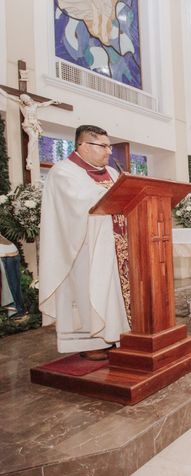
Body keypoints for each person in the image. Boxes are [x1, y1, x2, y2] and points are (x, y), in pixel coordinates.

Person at [39, 125, 130, 360]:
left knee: (114, 292)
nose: (109, 151)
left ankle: (116, 334)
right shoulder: (63, 172)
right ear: (83, 146)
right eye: (103, 146)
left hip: (115, 244)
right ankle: (93, 342)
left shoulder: (111, 172)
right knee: (90, 290)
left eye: (109, 146)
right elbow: (80, 206)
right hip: (83, 247)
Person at [0, 89, 60, 170]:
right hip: (28, 124)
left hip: (35, 125)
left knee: (34, 141)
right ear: (23, 101)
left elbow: (43, 104)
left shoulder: (35, 105)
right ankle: (29, 159)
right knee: (33, 138)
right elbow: (7, 96)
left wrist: (52, 101)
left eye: (29, 100)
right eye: (26, 101)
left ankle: (30, 158)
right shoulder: (21, 105)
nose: (29, 102)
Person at [0, 234, 25, 317]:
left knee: (10, 285)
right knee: (14, 285)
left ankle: (16, 311)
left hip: (5, 254)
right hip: (12, 251)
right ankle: (19, 310)